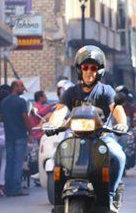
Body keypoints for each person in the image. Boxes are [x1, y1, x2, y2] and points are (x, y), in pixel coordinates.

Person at [54, 46, 128, 204]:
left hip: (102, 137)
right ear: (80, 69)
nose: (89, 71)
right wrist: (52, 123)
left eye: (93, 68)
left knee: (118, 156)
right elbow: (60, 111)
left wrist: (122, 124)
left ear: (99, 71)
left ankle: (110, 194)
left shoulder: (106, 91)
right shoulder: (71, 92)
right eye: (85, 67)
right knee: (58, 158)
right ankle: (60, 198)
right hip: (75, 138)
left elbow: (117, 109)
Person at [0, 79, 31, 196]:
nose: (23, 88)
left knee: (9, 162)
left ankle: (8, 188)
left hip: (9, 136)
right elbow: (25, 117)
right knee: (18, 163)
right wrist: (30, 132)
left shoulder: (4, 102)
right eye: (21, 86)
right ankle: (16, 189)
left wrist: (9, 119)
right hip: (20, 135)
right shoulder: (21, 102)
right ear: (15, 87)